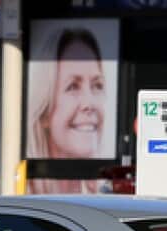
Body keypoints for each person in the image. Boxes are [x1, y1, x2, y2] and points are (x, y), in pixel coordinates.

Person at [26, 27, 109, 193]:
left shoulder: (105, 196)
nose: (89, 103)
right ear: (44, 114)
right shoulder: (25, 200)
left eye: (97, 85)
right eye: (73, 87)